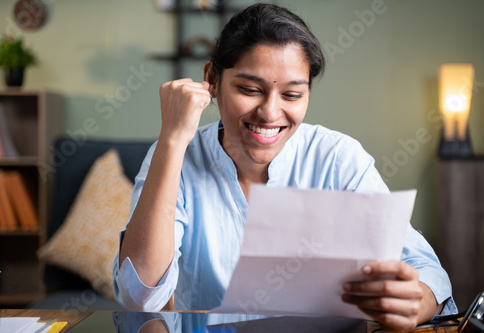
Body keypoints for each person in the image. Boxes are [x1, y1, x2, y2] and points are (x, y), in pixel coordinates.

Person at [113, 3, 456, 331]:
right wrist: (172, 140)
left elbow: (427, 271)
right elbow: (139, 295)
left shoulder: (338, 158)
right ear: (212, 79)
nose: (270, 113)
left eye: (292, 95)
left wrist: (416, 301)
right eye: (249, 89)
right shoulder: (175, 154)